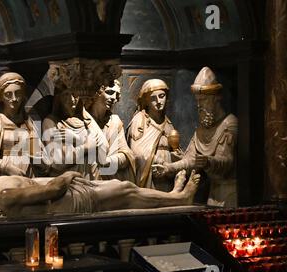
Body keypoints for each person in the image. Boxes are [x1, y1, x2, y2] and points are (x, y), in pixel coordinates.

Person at [0, 165, 200, 218]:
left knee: (126, 189)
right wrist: (67, 174)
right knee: (126, 190)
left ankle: (171, 196)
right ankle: (179, 198)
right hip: (69, 200)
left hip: (67, 192)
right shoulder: (3, 197)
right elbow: (50, 191)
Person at [153, 67, 238, 207]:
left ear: (216, 99)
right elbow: (190, 159)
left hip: (231, 194)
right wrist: (169, 167)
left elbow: (227, 161)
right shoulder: (201, 130)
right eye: (197, 101)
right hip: (212, 195)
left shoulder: (229, 124)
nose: (199, 105)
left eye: (203, 100)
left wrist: (208, 162)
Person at [0, 72, 49, 182]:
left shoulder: (28, 123)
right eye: (8, 94)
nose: (14, 98)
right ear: (0, 97)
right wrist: (5, 167)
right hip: (3, 178)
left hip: (28, 176)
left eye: (18, 93)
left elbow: (42, 160)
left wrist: (36, 155)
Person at [42, 88, 109, 180]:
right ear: (58, 98)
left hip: (92, 177)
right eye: (66, 95)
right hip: (69, 183)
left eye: (75, 94)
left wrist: (77, 139)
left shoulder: (86, 120)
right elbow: (57, 162)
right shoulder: (50, 122)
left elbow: (104, 148)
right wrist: (85, 147)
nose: (72, 100)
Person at [127, 79, 182, 191]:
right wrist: (160, 162)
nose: (158, 101)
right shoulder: (140, 120)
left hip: (167, 176)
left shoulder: (168, 124)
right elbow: (137, 152)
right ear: (146, 101)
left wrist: (177, 157)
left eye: (162, 96)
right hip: (150, 176)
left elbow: (173, 149)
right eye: (153, 98)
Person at [87, 80, 136, 182]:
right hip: (88, 177)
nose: (114, 98)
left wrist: (108, 161)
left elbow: (127, 155)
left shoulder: (115, 121)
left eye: (116, 94)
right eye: (109, 92)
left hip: (110, 179)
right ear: (97, 93)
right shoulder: (84, 120)